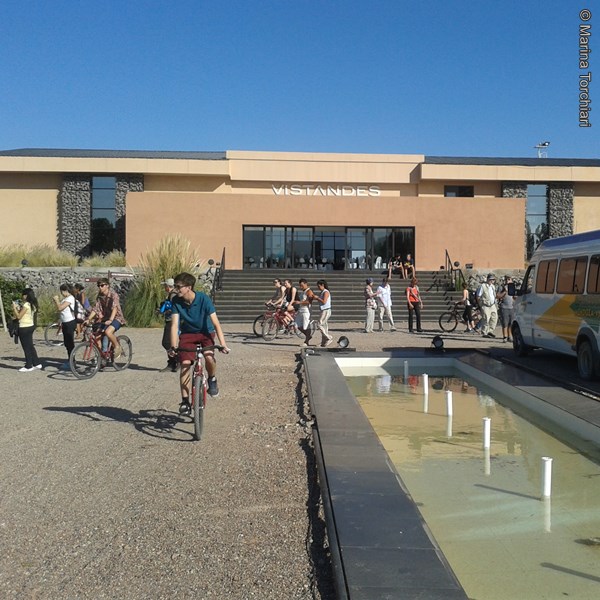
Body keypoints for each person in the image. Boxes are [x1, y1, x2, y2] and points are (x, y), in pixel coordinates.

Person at [168, 272, 229, 415]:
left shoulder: (203, 299)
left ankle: (212, 378)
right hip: (188, 334)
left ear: (188, 287)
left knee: (208, 356)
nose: (176, 289)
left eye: (178, 286)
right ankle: (185, 401)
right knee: (185, 364)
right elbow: (174, 325)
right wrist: (173, 346)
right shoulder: (176, 301)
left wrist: (223, 344)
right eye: (175, 286)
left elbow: (216, 323)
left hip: (206, 332)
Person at [86, 277, 126, 357]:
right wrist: (89, 319)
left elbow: (115, 308)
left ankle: (117, 347)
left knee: (108, 332)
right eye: (98, 286)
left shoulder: (113, 295)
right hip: (105, 318)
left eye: (102, 285)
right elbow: (96, 308)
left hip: (116, 318)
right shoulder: (100, 297)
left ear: (107, 285)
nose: (100, 287)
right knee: (97, 335)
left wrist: (111, 320)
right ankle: (101, 356)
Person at [12, 288, 42, 372]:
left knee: (26, 347)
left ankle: (28, 365)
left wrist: (14, 308)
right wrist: (18, 309)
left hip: (24, 327)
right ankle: (36, 363)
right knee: (30, 345)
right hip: (30, 325)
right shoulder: (33, 304)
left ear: (25, 295)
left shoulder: (26, 305)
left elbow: (18, 317)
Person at [53, 283, 77, 369]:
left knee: (70, 343)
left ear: (65, 291)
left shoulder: (70, 298)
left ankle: (72, 362)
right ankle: (70, 360)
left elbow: (60, 308)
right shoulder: (66, 299)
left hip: (70, 322)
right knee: (67, 343)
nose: (61, 293)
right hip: (65, 322)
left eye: (61, 291)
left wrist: (56, 300)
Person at [158, 278, 177, 372]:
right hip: (172, 320)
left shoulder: (173, 295)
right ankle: (173, 362)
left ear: (168, 286)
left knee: (166, 342)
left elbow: (174, 308)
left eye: (165, 286)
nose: (164, 288)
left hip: (172, 321)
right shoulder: (173, 294)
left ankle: (175, 360)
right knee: (170, 342)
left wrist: (165, 311)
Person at [293, 278, 316, 346]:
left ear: (306, 284)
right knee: (296, 325)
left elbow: (309, 302)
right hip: (300, 310)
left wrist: (299, 302)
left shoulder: (309, 291)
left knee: (306, 326)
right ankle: (308, 336)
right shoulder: (303, 292)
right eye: (300, 285)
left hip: (306, 310)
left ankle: (306, 341)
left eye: (302, 285)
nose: (301, 287)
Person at [477, 273, 498, 338]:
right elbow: (478, 296)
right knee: (486, 319)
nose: (492, 281)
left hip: (492, 305)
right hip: (485, 305)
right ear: (487, 279)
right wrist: (480, 305)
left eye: (493, 280)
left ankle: (490, 331)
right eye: (490, 279)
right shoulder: (482, 286)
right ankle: (484, 332)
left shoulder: (493, 286)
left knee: (494, 318)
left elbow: (494, 295)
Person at [314, 279, 333, 347]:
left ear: (323, 285)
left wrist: (317, 298)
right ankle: (323, 342)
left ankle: (328, 337)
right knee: (324, 326)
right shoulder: (322, 292)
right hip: (323, 310)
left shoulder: (326, 292)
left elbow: (324, 301)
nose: (318, 288)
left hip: (326, 310)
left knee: (319, 324)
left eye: (319, 286)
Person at [497, 275, 516, 342]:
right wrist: (505, 291)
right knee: (505, 323)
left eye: (509, 279)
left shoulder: (513, 287)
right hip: (504, 307)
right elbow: (498, 296)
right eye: (506, 279)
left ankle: (509, 336)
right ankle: (505, 336)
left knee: (511, 323)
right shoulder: (501, 287)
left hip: (512, 307)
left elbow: (514, 297)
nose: (507, 281)